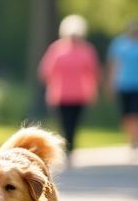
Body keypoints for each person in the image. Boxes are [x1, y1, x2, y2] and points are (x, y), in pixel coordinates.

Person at [39, 14, 100, 158]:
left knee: (74, 123)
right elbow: (46, 71)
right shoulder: (57, 49)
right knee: (64, 123)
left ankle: (71, 147)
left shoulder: (87, 51)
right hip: (60, 95)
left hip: (79, 95)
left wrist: (93, 91)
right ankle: (67, 148)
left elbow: (93, 73)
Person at [107, 20, 138, 159]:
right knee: (126, 116)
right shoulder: (119, 44)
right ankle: (131, 140)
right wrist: (111, 84)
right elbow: (114, 65)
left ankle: (137, 142)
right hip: (123, 84)